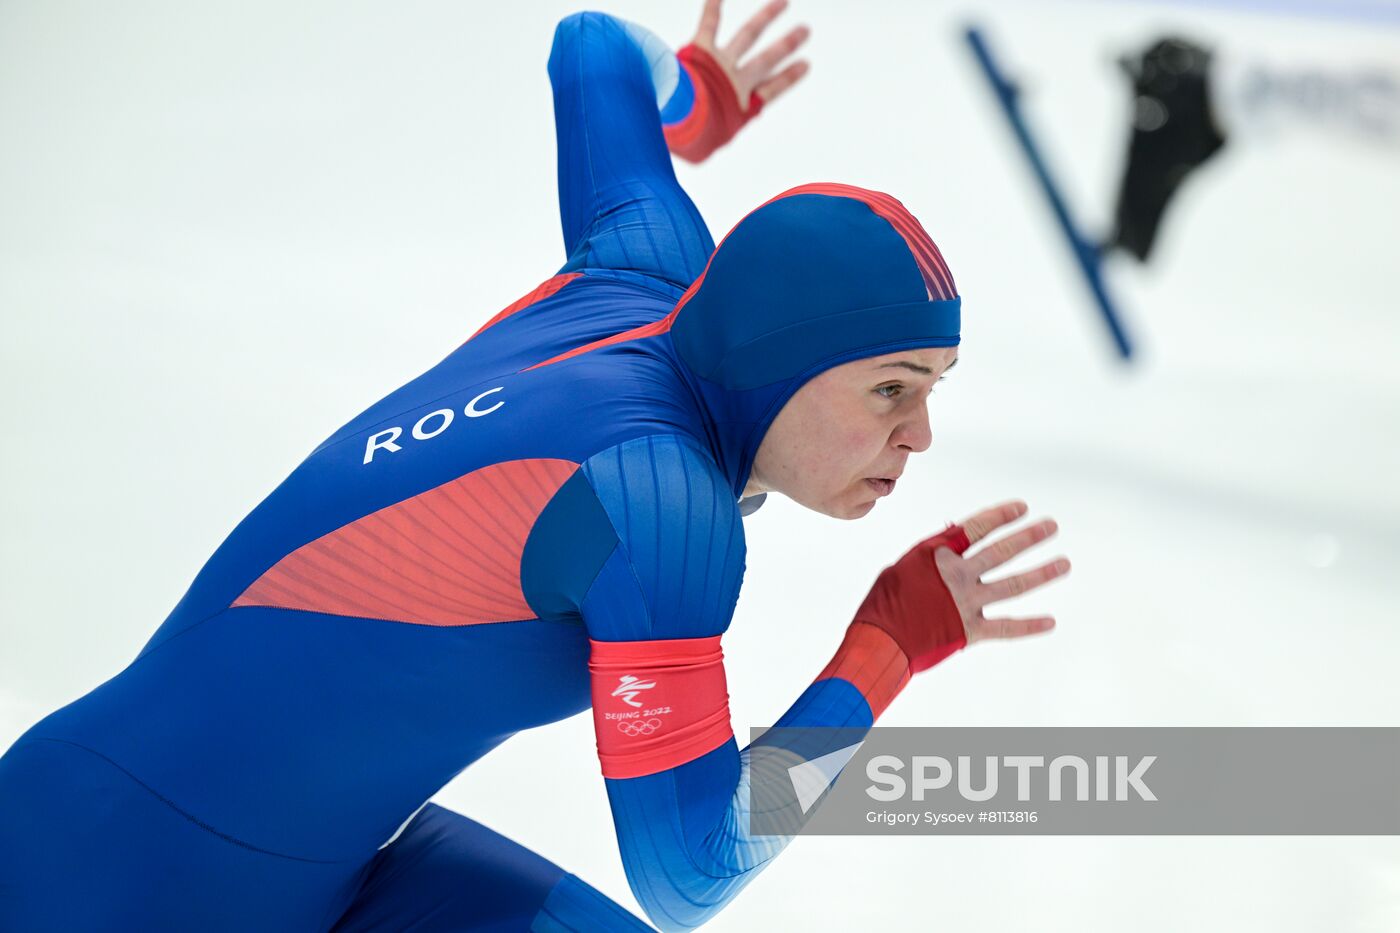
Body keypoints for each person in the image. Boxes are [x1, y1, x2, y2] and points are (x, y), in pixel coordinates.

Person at [0, 1, 1070, 930]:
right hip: (94, 883)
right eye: (890, 387)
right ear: (778, 363)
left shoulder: (641, 268)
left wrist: (696, 98)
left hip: (326, 878)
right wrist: (887, 642)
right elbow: (690, 876)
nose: (919, 434)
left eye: (935, 386)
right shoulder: (661, 508)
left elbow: (595, 48)